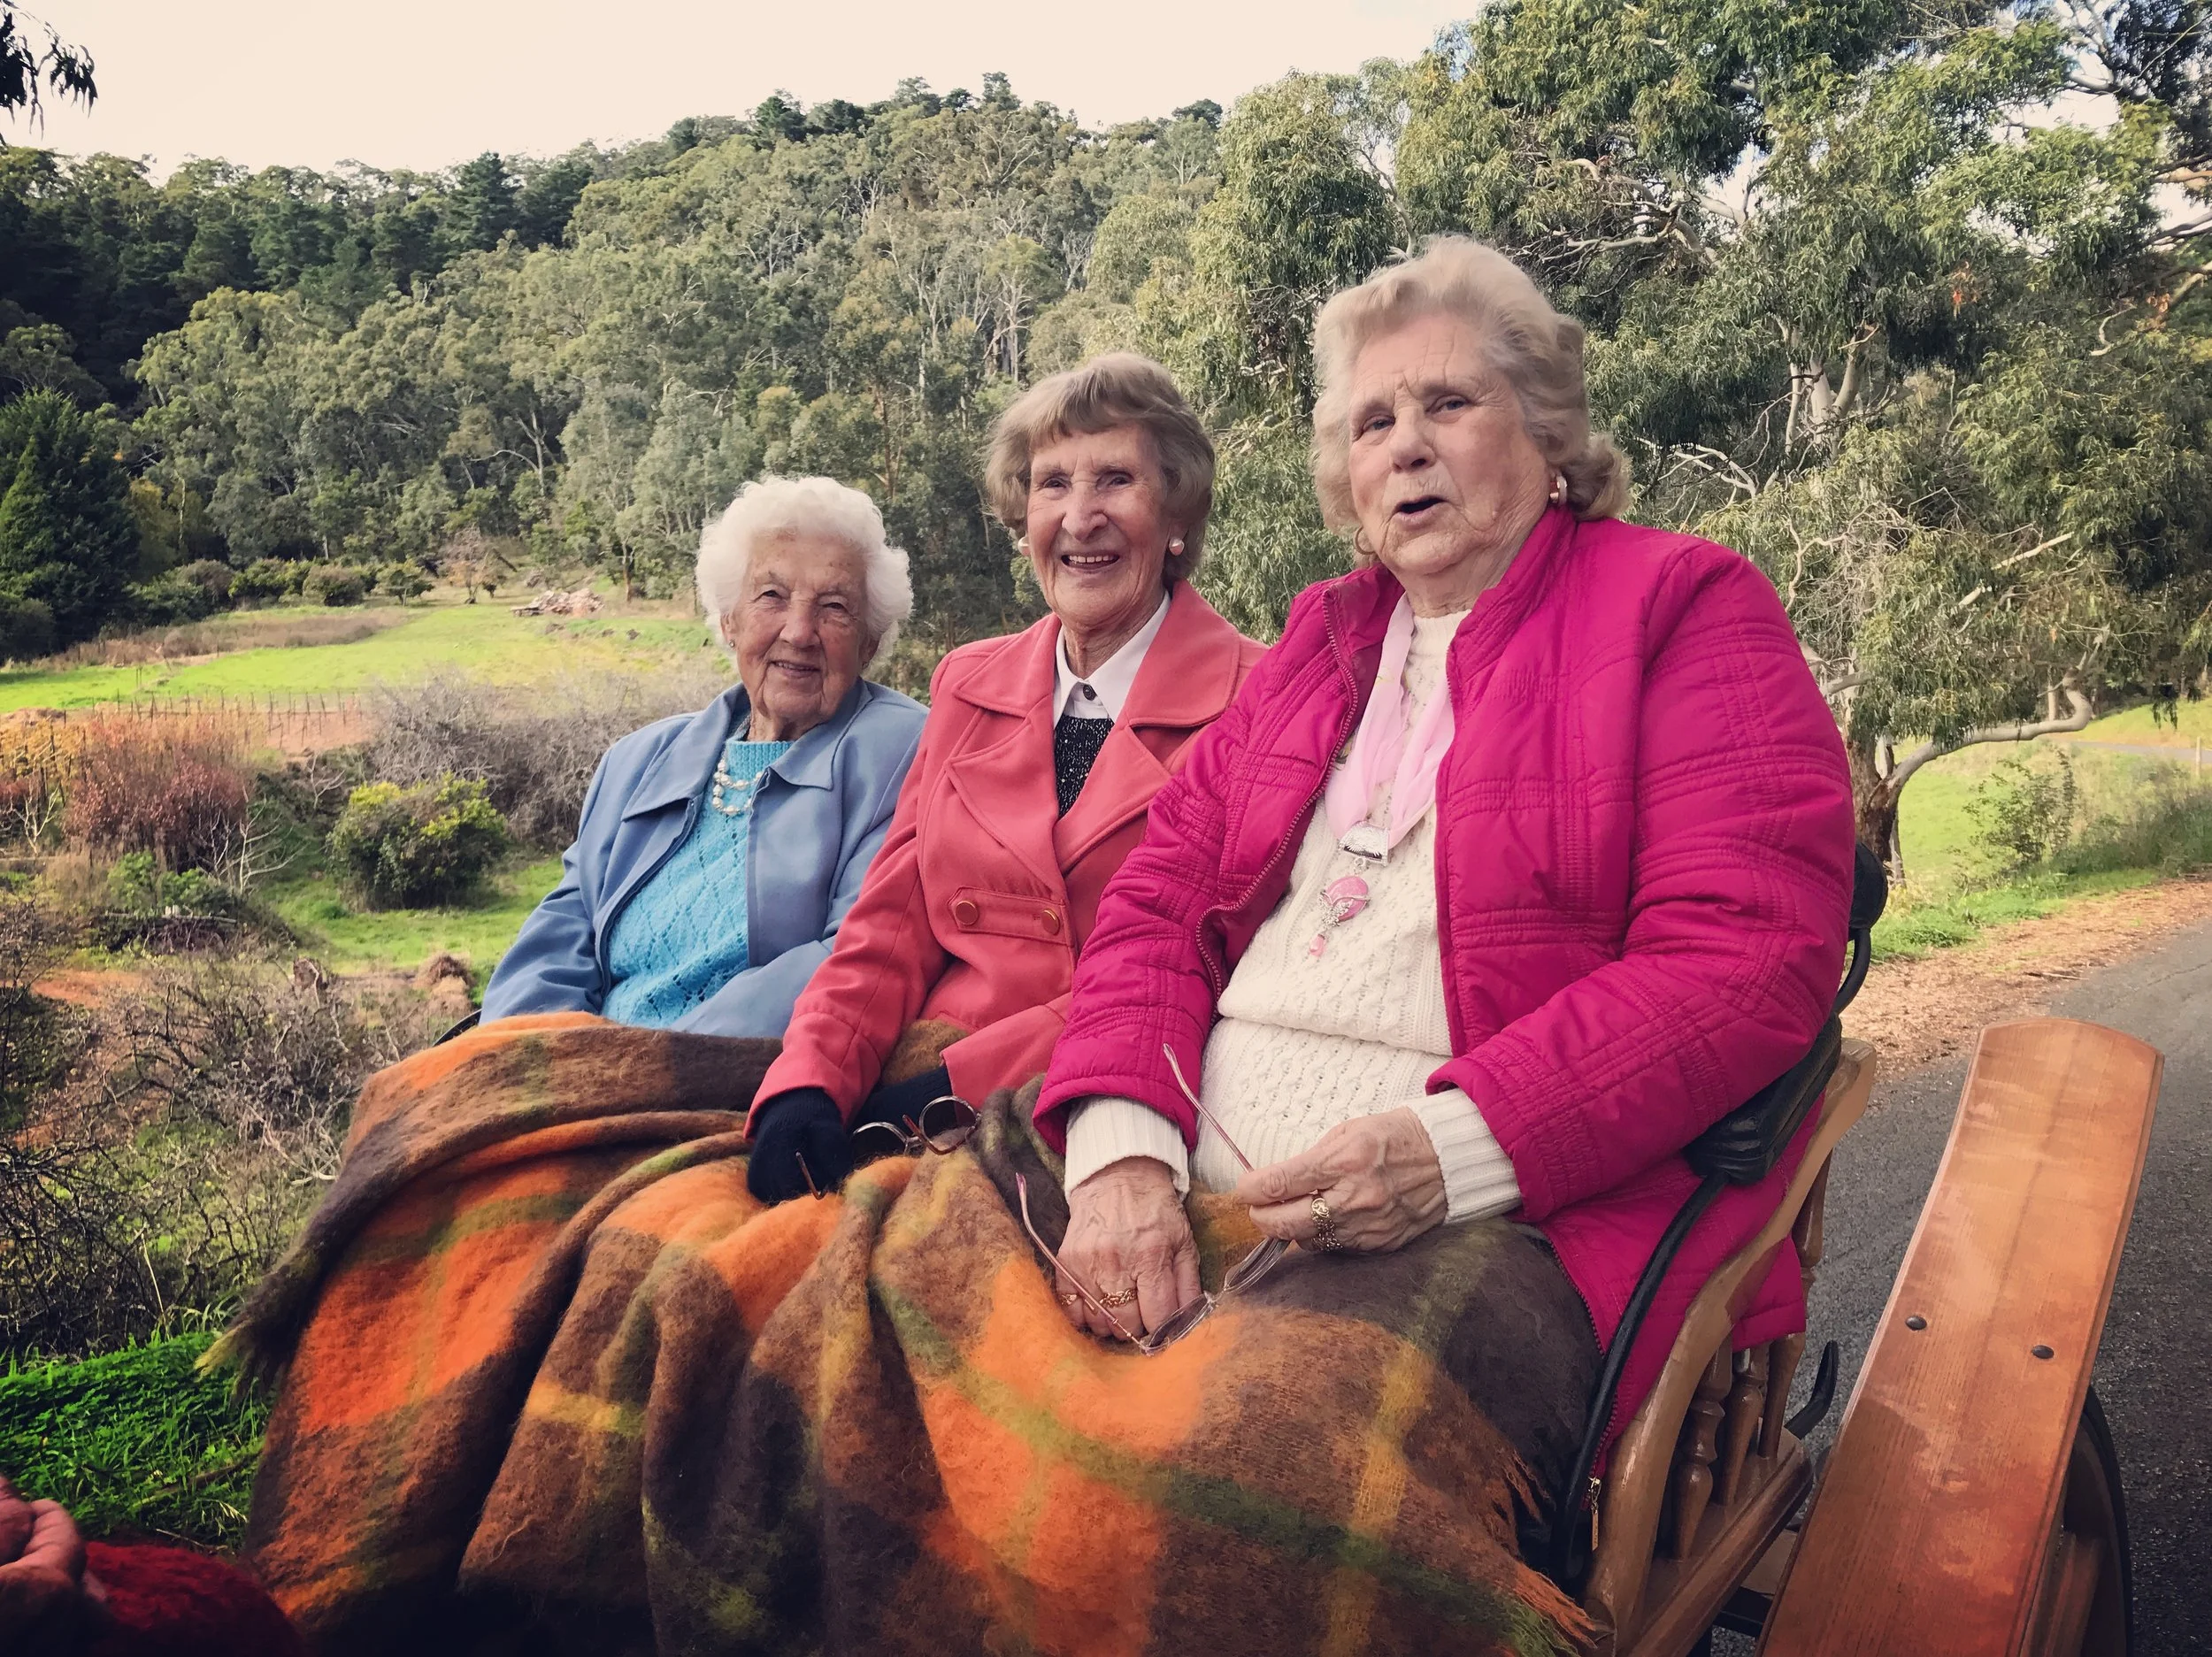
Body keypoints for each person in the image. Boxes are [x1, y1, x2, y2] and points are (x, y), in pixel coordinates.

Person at [1034, 237, 1856, 1505]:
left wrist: (1451, 1150)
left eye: (1449, 404)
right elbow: (1157, 907)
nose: (1405, 447)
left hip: (1498, 1223)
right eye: (1373, 422)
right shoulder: (1319, 643)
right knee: (878, 1310)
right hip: (1184, 1176)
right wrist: (1122, 1157)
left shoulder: (1682, 605)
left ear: (1547, 434)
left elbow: (1743, 960)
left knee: (1245, 1467)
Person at [746, 353, 1266, 1202]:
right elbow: (889, 924)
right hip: (909, 1072)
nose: (1080, 517)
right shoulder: (967, 680)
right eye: (1052, 483)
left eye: (1116, 480)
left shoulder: (1259, 698)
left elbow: (1206, 963)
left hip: (1102, 1100)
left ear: (1177, 513)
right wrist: (808, 1082)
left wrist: (940, 1094)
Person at [481, 477, 926, 1039]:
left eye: (834, 607)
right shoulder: (637, 763)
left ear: (869, 642)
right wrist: (536, 1060)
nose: (799, 632)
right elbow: (557, 943)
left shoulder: (906, 756)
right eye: (771, 596)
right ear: (729, 619)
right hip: (584, 1069)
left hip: (745, 1075)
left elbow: (855, 956)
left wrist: (652, 1067)